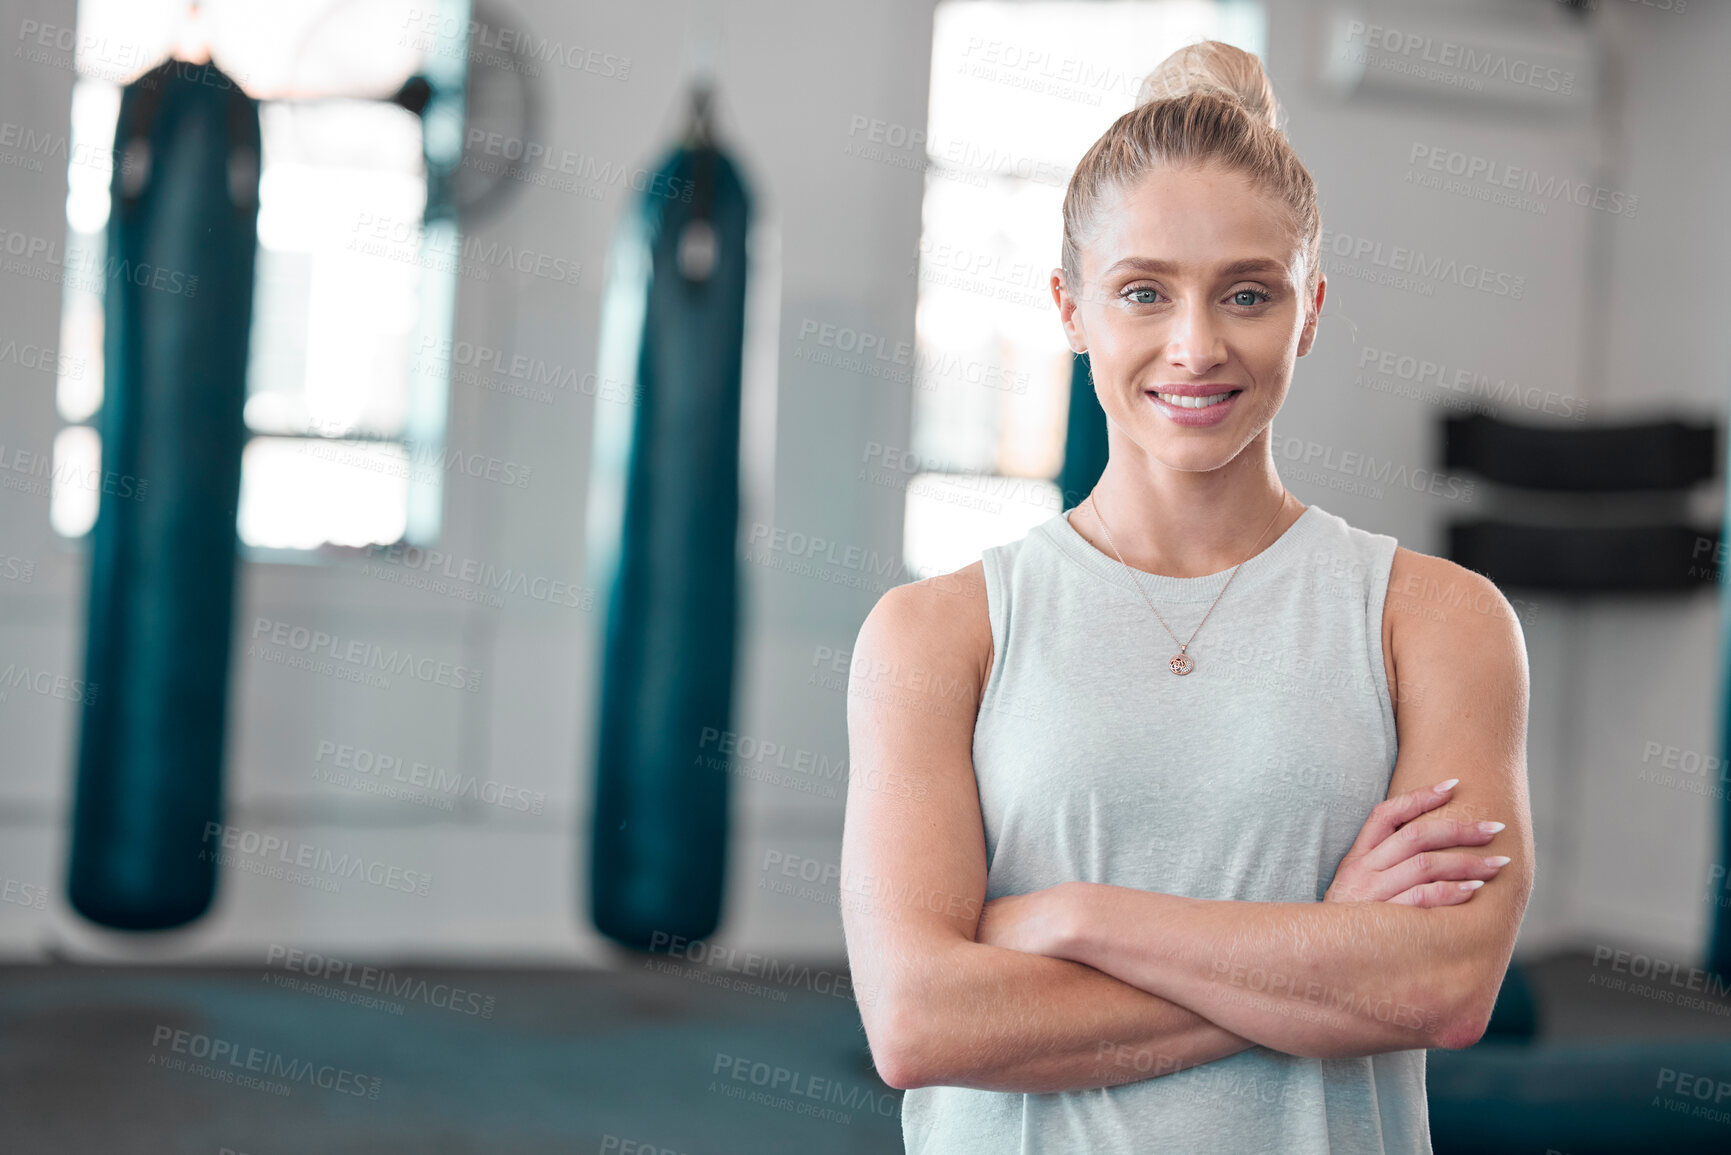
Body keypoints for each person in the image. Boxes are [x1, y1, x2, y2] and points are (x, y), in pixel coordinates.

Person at [839, 39, 1533, 1154]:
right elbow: (921, 1021)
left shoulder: (1437, 623)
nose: (1195, 346)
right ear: (1071, 308)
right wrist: (1327, 953)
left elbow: (1445, 989)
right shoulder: (937, 632)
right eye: (1143, 292)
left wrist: (1075, 919)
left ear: (1309, 309)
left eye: (1247, 294)